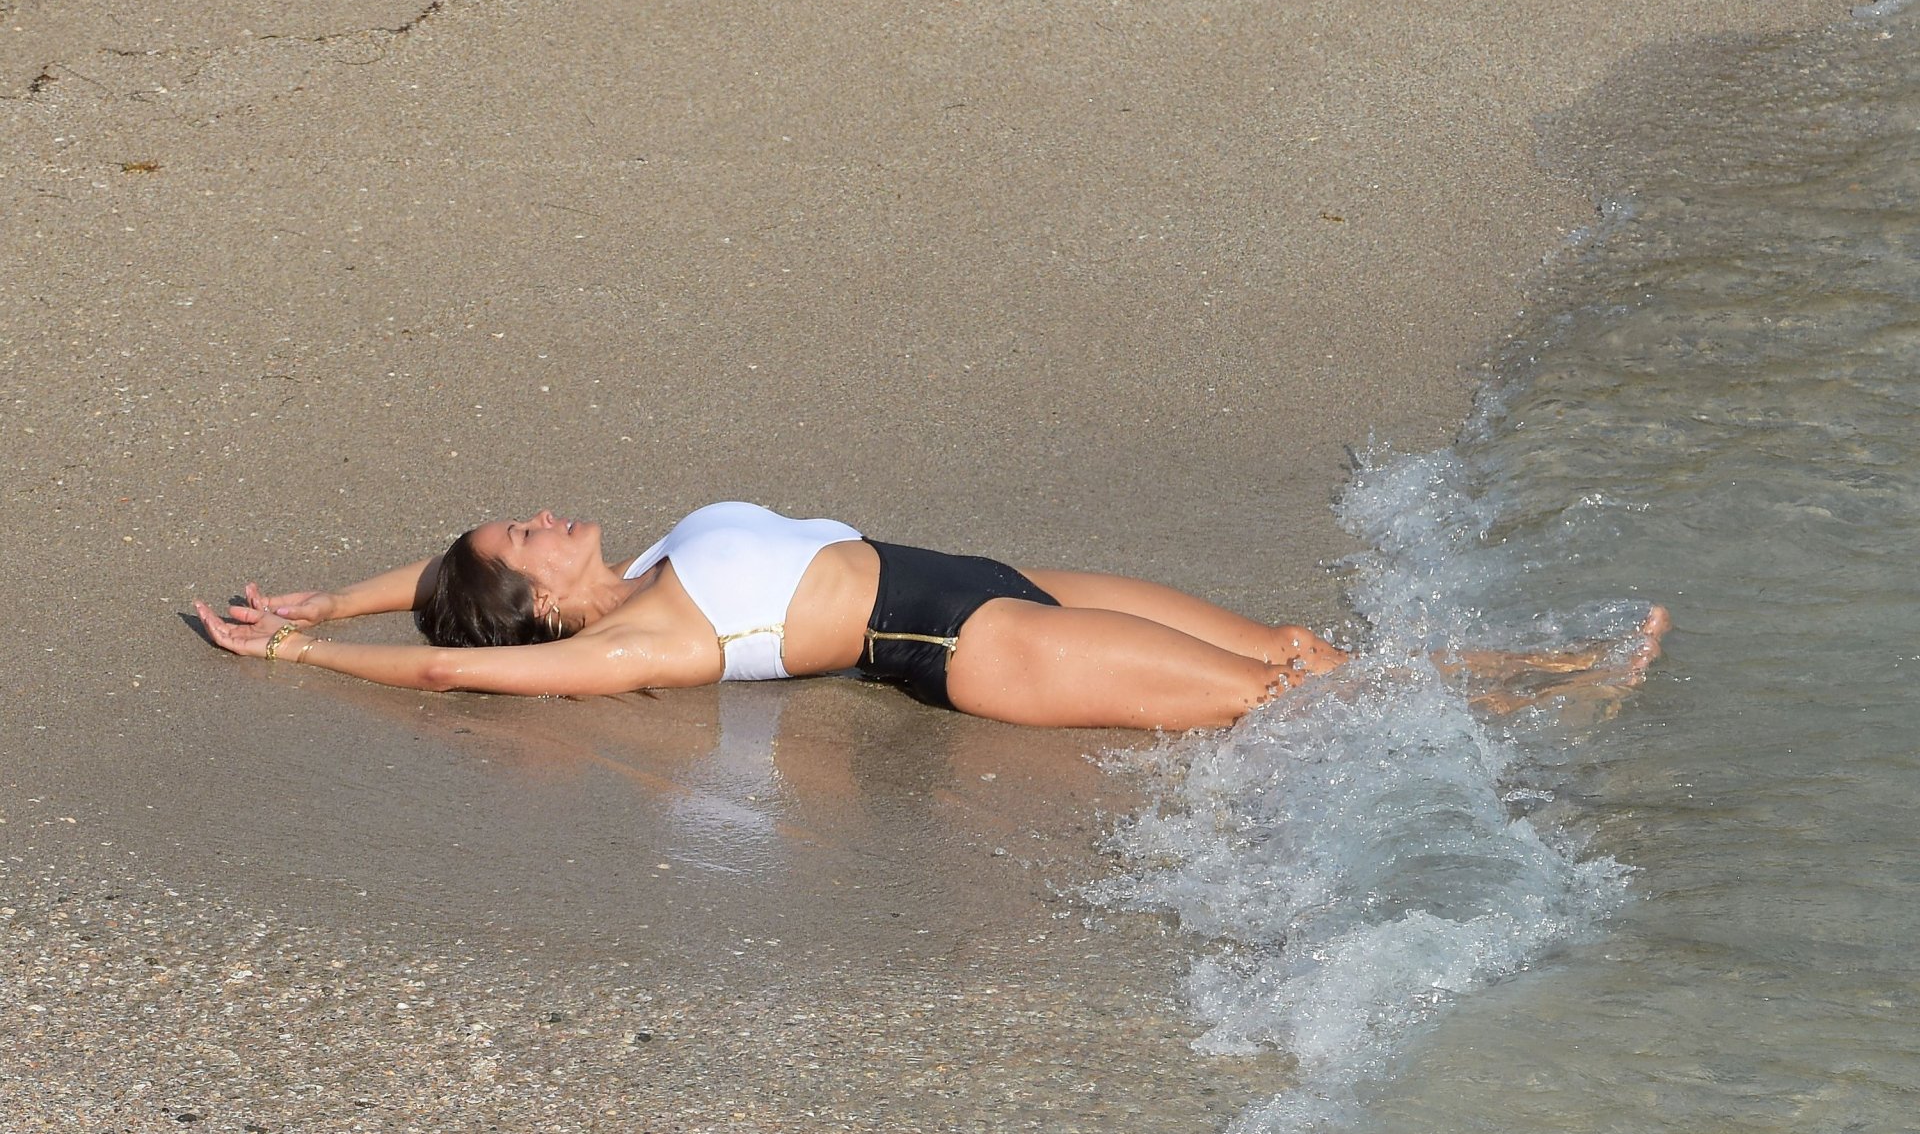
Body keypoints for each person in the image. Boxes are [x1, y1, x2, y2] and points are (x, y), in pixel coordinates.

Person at [193, 501, 1665, 730]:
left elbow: (449, 603)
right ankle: (1553, 700)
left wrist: (341, 589)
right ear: (535, 596)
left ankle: (1541, 669)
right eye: (519, 535)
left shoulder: (646, 563)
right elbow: (460, 675)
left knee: (1292, 647)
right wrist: (316, 653)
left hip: (986, 572)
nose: (535, 512)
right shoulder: (640, 644)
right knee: (1268, 701)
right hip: (965, 644)